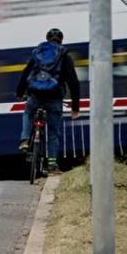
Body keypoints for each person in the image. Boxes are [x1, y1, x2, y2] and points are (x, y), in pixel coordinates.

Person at [16, 28, 81, 173]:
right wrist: (75, 108)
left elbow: (26, 73)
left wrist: (20, 93)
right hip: (54, 97)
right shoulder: (64, 56)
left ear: (47, 39)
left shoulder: (38, 53)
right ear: (61, 40)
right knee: (53, 132)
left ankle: (25, 139)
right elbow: (74, 82)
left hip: (35, 95)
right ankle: (52, 164)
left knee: (28, 113)